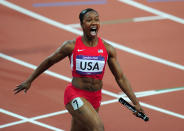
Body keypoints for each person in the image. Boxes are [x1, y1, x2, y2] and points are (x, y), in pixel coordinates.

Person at [14, 8, 145, 131]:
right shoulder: (71, 46)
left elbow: (120, 78)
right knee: (98, 128)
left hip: (95, 97)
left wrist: (135, 102)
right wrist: (29, 80)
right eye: (89, 20)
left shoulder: (107, 49)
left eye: (96, 19)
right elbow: (49, 61)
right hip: (75, 95)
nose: (93, 23)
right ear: (82, 24)